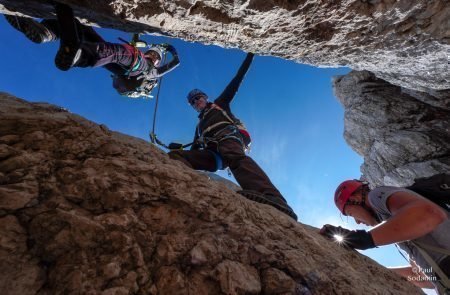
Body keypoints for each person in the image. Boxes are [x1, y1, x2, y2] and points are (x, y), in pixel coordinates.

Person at [168, 52, 297, 221]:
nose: (196, 102)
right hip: (214, 154)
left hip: (229, 139)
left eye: (198, 98)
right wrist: (180, 149)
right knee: (178, 157)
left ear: (205, 97)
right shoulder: (199, 126)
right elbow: (195, 149)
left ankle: (274, 199)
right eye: (193, 102)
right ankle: (176, 180)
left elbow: (237, 79)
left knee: (235, 157)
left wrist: (251, 54)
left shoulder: (220, 104)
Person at [3, 4, 179, 97]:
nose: (153, 55)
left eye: (156, 56)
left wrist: (169, 49)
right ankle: (48, 32)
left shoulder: (153, 72)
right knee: (87, 33)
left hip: (129, 63)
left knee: (113, 51)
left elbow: (176, 62)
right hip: (120, 67)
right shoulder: (138, 54)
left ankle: (77, 56)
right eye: (153, 52)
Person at [320, 179, 450, 294]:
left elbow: (429, 214)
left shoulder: (376, 196)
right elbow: (426, 278)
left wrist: (362, 239)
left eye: (350, 213)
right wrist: (374, 271)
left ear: (355, 199)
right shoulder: (402, 229)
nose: (358, 222)